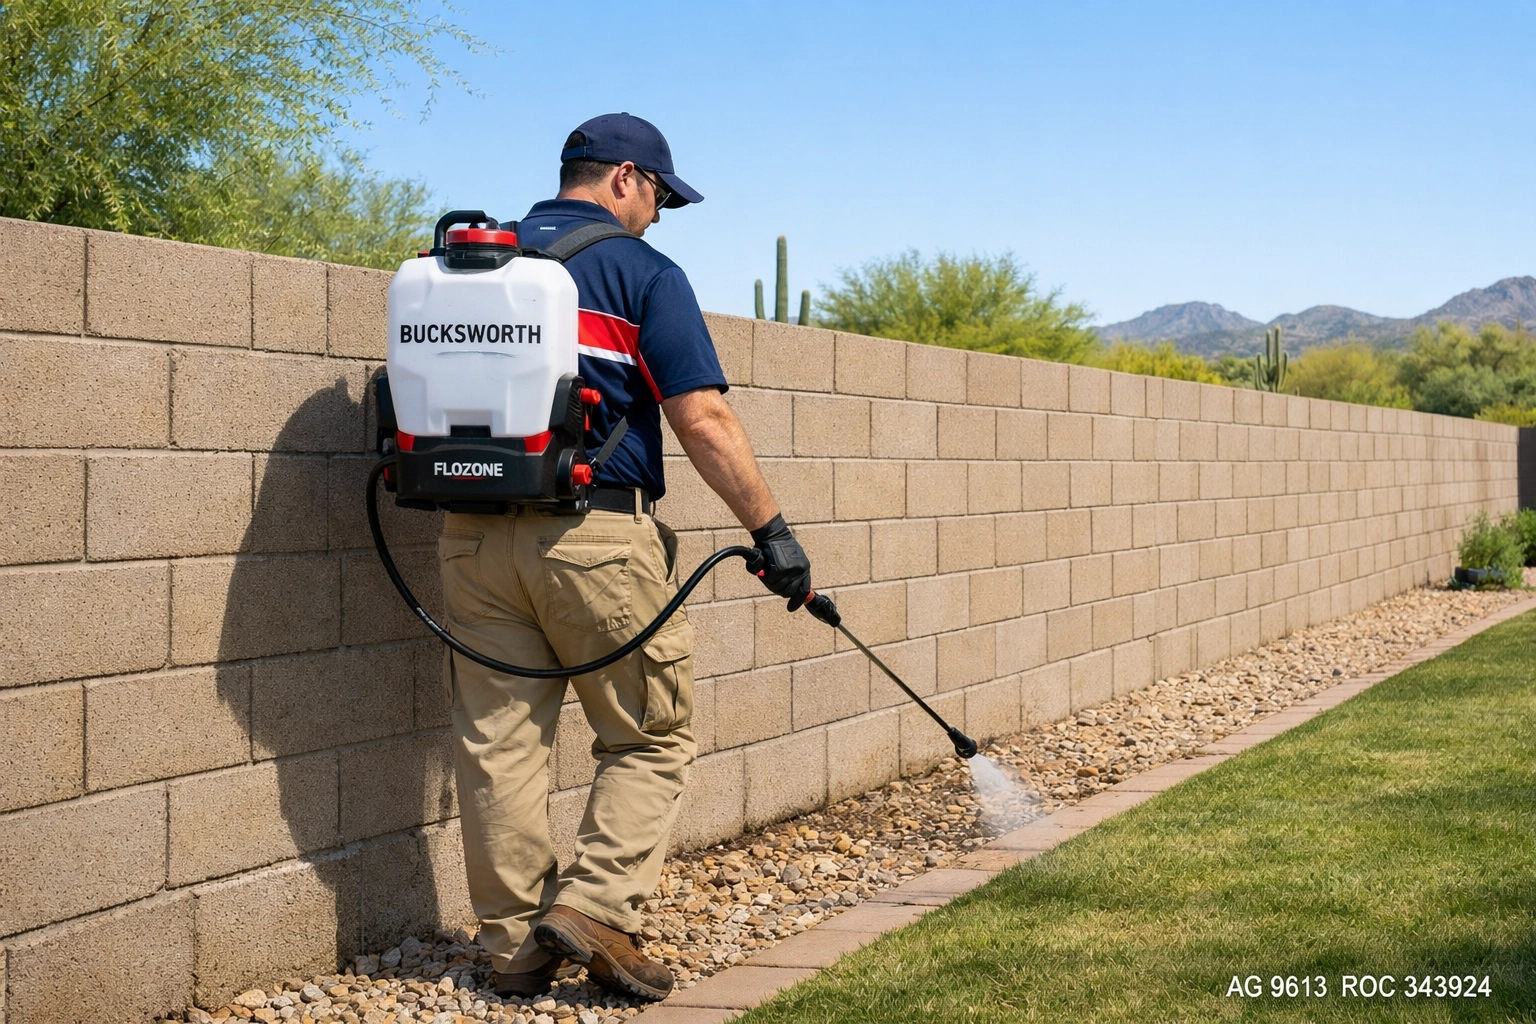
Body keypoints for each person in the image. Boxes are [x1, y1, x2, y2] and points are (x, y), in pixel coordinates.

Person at [437, 112, 814, 1003]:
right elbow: (703, 419)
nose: (659, 216)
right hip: (594, 539)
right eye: (659, 197)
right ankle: (597, 906)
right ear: (622, 180)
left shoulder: (461, 265)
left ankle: (512, 953)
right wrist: (772, 533)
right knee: (650, 735)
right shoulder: (639, 270)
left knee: (498, 747)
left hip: (469, 536)